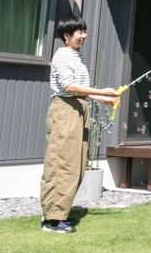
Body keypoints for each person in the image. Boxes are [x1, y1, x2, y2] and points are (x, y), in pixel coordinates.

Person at [40, 15, 119, 234]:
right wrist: (100, 91)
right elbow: (68, 85)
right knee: (61, 162)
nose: (83, 35)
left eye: (84, 31)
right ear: (67, 36)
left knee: (75, 163)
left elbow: (80, 88)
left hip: (77, 108)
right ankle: (52, 220)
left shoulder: (76, 55)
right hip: (65, 111)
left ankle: (59, 212)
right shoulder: (63, 56)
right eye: (79, 32)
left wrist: (100, 99)